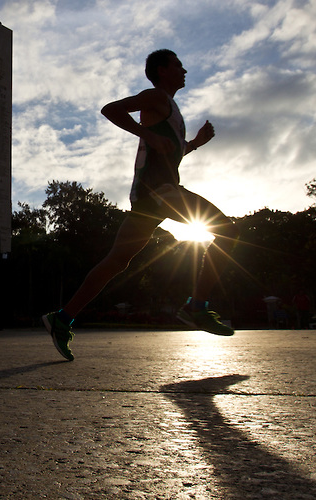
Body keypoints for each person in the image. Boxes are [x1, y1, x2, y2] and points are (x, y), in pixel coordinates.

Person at [42, 49, 239, 361]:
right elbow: (111, 110)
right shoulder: (155, 97)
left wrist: (196, 144)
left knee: (117, 261)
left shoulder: (170, 110)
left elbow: (167, 152)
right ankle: (196, 306)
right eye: (178, 64)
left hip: (150, 197)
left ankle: (62, 319)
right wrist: (145, 132)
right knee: (228, 230)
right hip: (160, 192)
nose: (184, 69)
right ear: (162, 70)